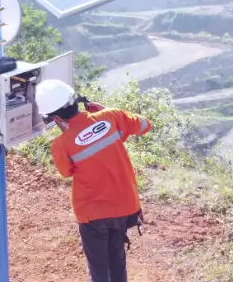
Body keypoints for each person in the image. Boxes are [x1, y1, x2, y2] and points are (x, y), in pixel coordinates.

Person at [35, 79, 152, 282]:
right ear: (75, 100)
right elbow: (144, 125)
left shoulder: (61, 144)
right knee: (117, 257)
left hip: (92, 214)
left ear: (54, 117)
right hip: (124, 206)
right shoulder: (111, 116)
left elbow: (66, 171)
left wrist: (70, 133)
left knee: (99, 268)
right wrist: (105, 112)